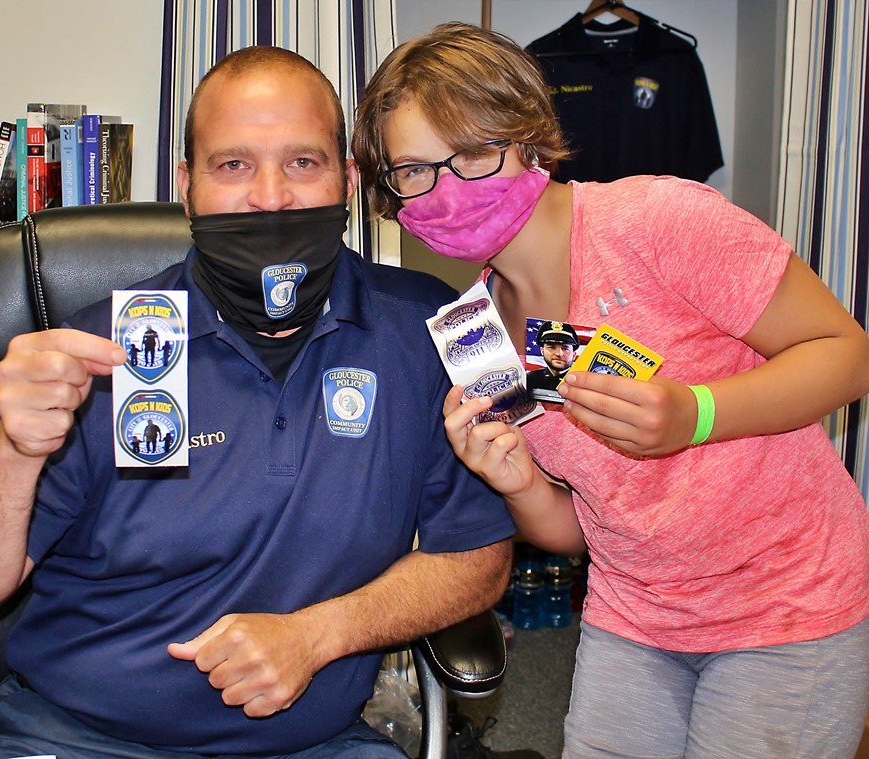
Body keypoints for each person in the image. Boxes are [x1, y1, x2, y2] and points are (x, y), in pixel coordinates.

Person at [0, 45, 514, 759]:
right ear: (188, 186)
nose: (270, 197)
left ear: (349, 181)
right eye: (233, 165)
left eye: (303, 162)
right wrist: (13, 453)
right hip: (74, 734)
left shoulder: (439, 327)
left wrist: (318, 635)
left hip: (310, 744)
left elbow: (480, 554)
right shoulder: (94, 352)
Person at [352, 22, 869, 759]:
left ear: (528, 136)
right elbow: (582, 528)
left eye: (472, 152)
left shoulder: (656, 221)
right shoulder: (472, 335)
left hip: (788, 603)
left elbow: (847, 355)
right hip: (636, 617)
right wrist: (519, 482)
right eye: (414, 169)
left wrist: (696, 413)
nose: (449, 188)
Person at [526, 320, 579, 393]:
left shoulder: (581, 381)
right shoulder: (530, 379)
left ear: (574, 355)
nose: (559, 354)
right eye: (551, 347)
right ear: (542, 351)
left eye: (565, 348)